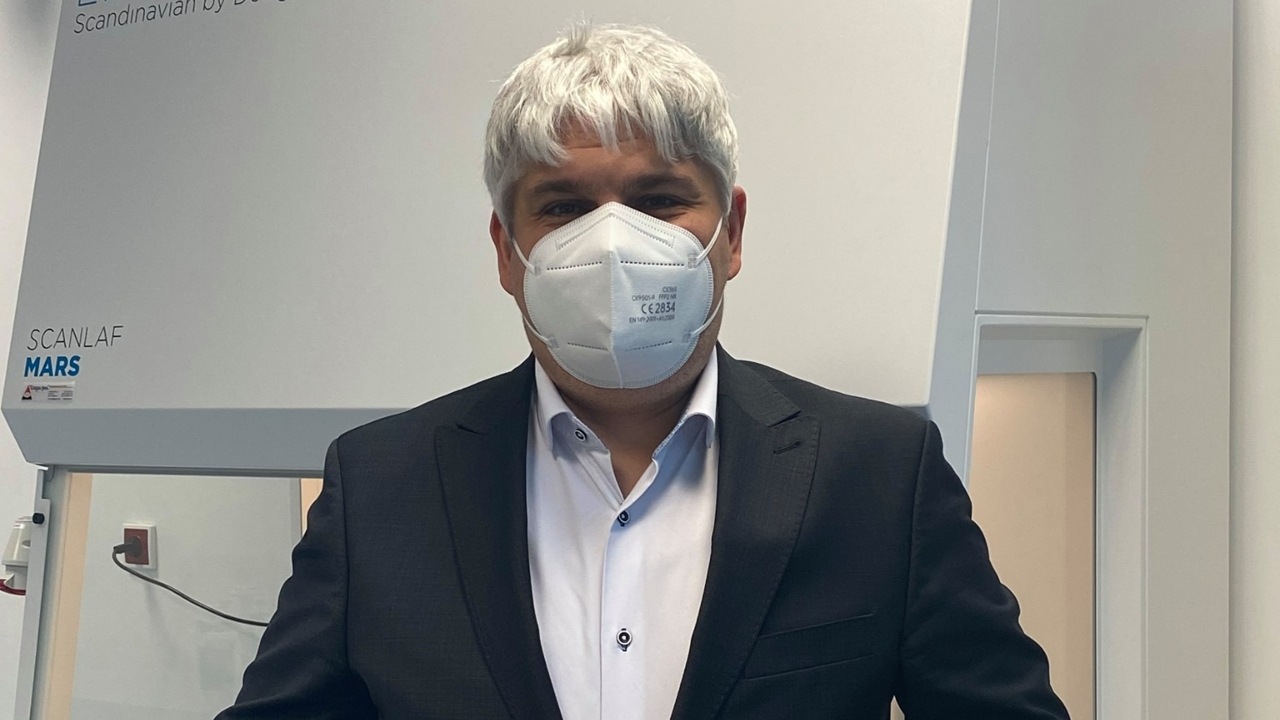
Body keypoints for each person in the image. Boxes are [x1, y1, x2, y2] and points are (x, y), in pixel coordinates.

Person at [217, 23, 1070, 720]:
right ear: (507, 252)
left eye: (660, 200)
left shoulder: (880, 473)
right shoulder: (381, 486)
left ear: (731, 234)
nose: (614, 244)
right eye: (563, 207)